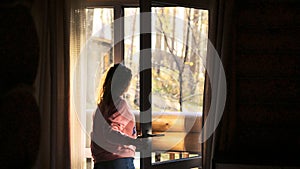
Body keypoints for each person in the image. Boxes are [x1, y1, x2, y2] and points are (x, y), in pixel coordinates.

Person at [91, 63, 145, 169]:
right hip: (118, 160)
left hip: (101, 161)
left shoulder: (101, 106)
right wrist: (133, 141)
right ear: (124, 84)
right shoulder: (120, 104)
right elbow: (110, 133)